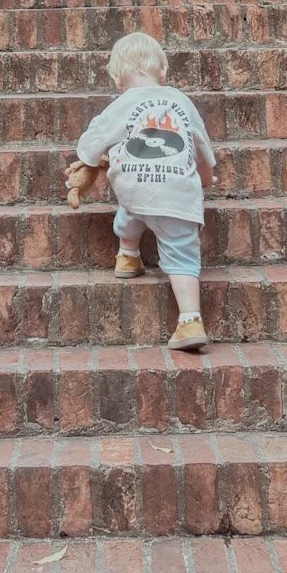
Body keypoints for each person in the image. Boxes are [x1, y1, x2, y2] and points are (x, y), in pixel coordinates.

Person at [65, 30, 217, 353]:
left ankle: (128, 254)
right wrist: (205, 178)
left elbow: (92, 142)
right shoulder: (182, 102)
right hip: (179, 193)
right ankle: (190, 319)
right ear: (162, 72)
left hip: (134, 189)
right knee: (181, 252)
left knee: (133, 203)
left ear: (118, 80)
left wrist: (87, 163)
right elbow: (201, 148)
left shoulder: (121, 104)